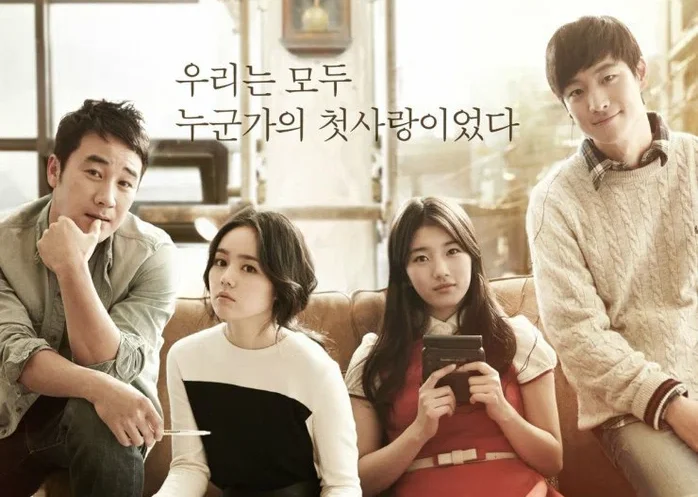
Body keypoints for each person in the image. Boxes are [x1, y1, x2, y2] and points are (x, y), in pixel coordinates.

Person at [527, 15, 698, 497]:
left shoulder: (694, 163)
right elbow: (577, 335)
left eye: (608, 77)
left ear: (640, 72)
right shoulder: (554, 200)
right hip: (633, 408)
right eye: (576, 92)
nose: (597, 102)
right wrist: (675, 405)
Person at [0, 99, 179, 496]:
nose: (107, 198)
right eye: (94, 173)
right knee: (106, 399)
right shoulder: (3, 243)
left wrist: (72, 267)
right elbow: (15, 355)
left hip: (100, 430)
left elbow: (110, 366)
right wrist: (99, 388)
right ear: (54, 170)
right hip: (7, 420)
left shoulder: (152, 254)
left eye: (125, 183)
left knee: (105, 416)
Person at [345, 196, 563, 497]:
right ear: (403, 273)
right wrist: (418, 431)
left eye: (452, 251)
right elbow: (358, 483)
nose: (441, 270)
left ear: (472, 256)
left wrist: (503, 411)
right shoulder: (374, 356)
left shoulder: (518, 338)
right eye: (421, 258)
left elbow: (552, 461)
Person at [154, 207, 361, 497]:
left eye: (249, 268)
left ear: (279, 284)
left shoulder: (315, 367)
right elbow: (189, 467)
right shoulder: (185, 356)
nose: (226, 277)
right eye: (220, 262)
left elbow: (342, 485)